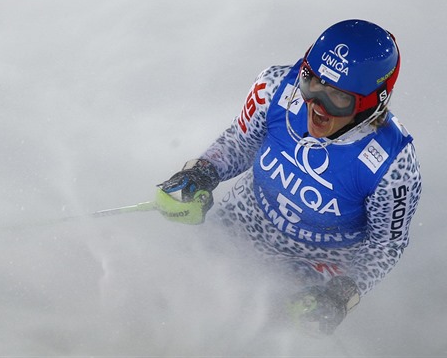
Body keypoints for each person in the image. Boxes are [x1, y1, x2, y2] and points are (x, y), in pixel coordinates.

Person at [156, 19, 422, 334]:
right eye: (312, 83)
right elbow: (242, 144)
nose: (316, 106)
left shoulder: (392, 165)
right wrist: (202, 174)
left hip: (313, 265)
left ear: (372, 103)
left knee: (259, 330)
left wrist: (341, 294)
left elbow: (385, 245)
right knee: (169, 291)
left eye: (338, 99)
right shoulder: (275, 88)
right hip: (241, 223)